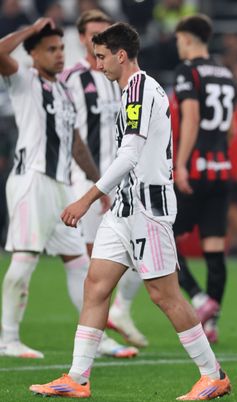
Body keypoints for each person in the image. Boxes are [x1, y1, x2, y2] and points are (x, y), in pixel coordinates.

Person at [29, 23, 231, 399]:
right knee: (96, 284)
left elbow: (130, 153)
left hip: (147, 206)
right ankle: (77, 377)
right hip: (125, 206)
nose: (98, 63)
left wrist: (87, 197)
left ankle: (212, 373)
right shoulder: (130, 90)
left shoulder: (139, 88)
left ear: (121, 55)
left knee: (164, 295)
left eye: (102, 56)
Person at [0, 18, 113, 359]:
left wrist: (99, 184)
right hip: (31, 181)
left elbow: (77, 144)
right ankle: (7, 338)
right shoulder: (24, 79)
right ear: (32, 53)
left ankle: (97, 337)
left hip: (61, 187)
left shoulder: (62, 89)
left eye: (62, 48)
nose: (60, 55)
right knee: (24, 261)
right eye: (51, 49)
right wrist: (31, 29)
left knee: (81, 265)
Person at [62, 9, 146, 352]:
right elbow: (69, 134)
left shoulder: (124, 80)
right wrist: (94, 187)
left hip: (120, 180)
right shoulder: (71, 78)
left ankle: (116, 315)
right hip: (84, 180)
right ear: (82, 37)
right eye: (94, 34)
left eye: (105, 34)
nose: (99, 40)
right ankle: (98, 338)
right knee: (89, 263)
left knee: (130, 262)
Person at [171, 14, 237, 343]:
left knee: (163, 237)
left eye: (179, 40)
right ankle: (211, 324)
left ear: (188, 38)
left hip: (195, 170)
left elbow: (191, 118)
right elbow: (232, 126)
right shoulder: (225, 73)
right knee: (214, 250)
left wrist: (180, 164)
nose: (178, 46)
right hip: (221, 169)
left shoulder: (188, 71)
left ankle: (199, 298)